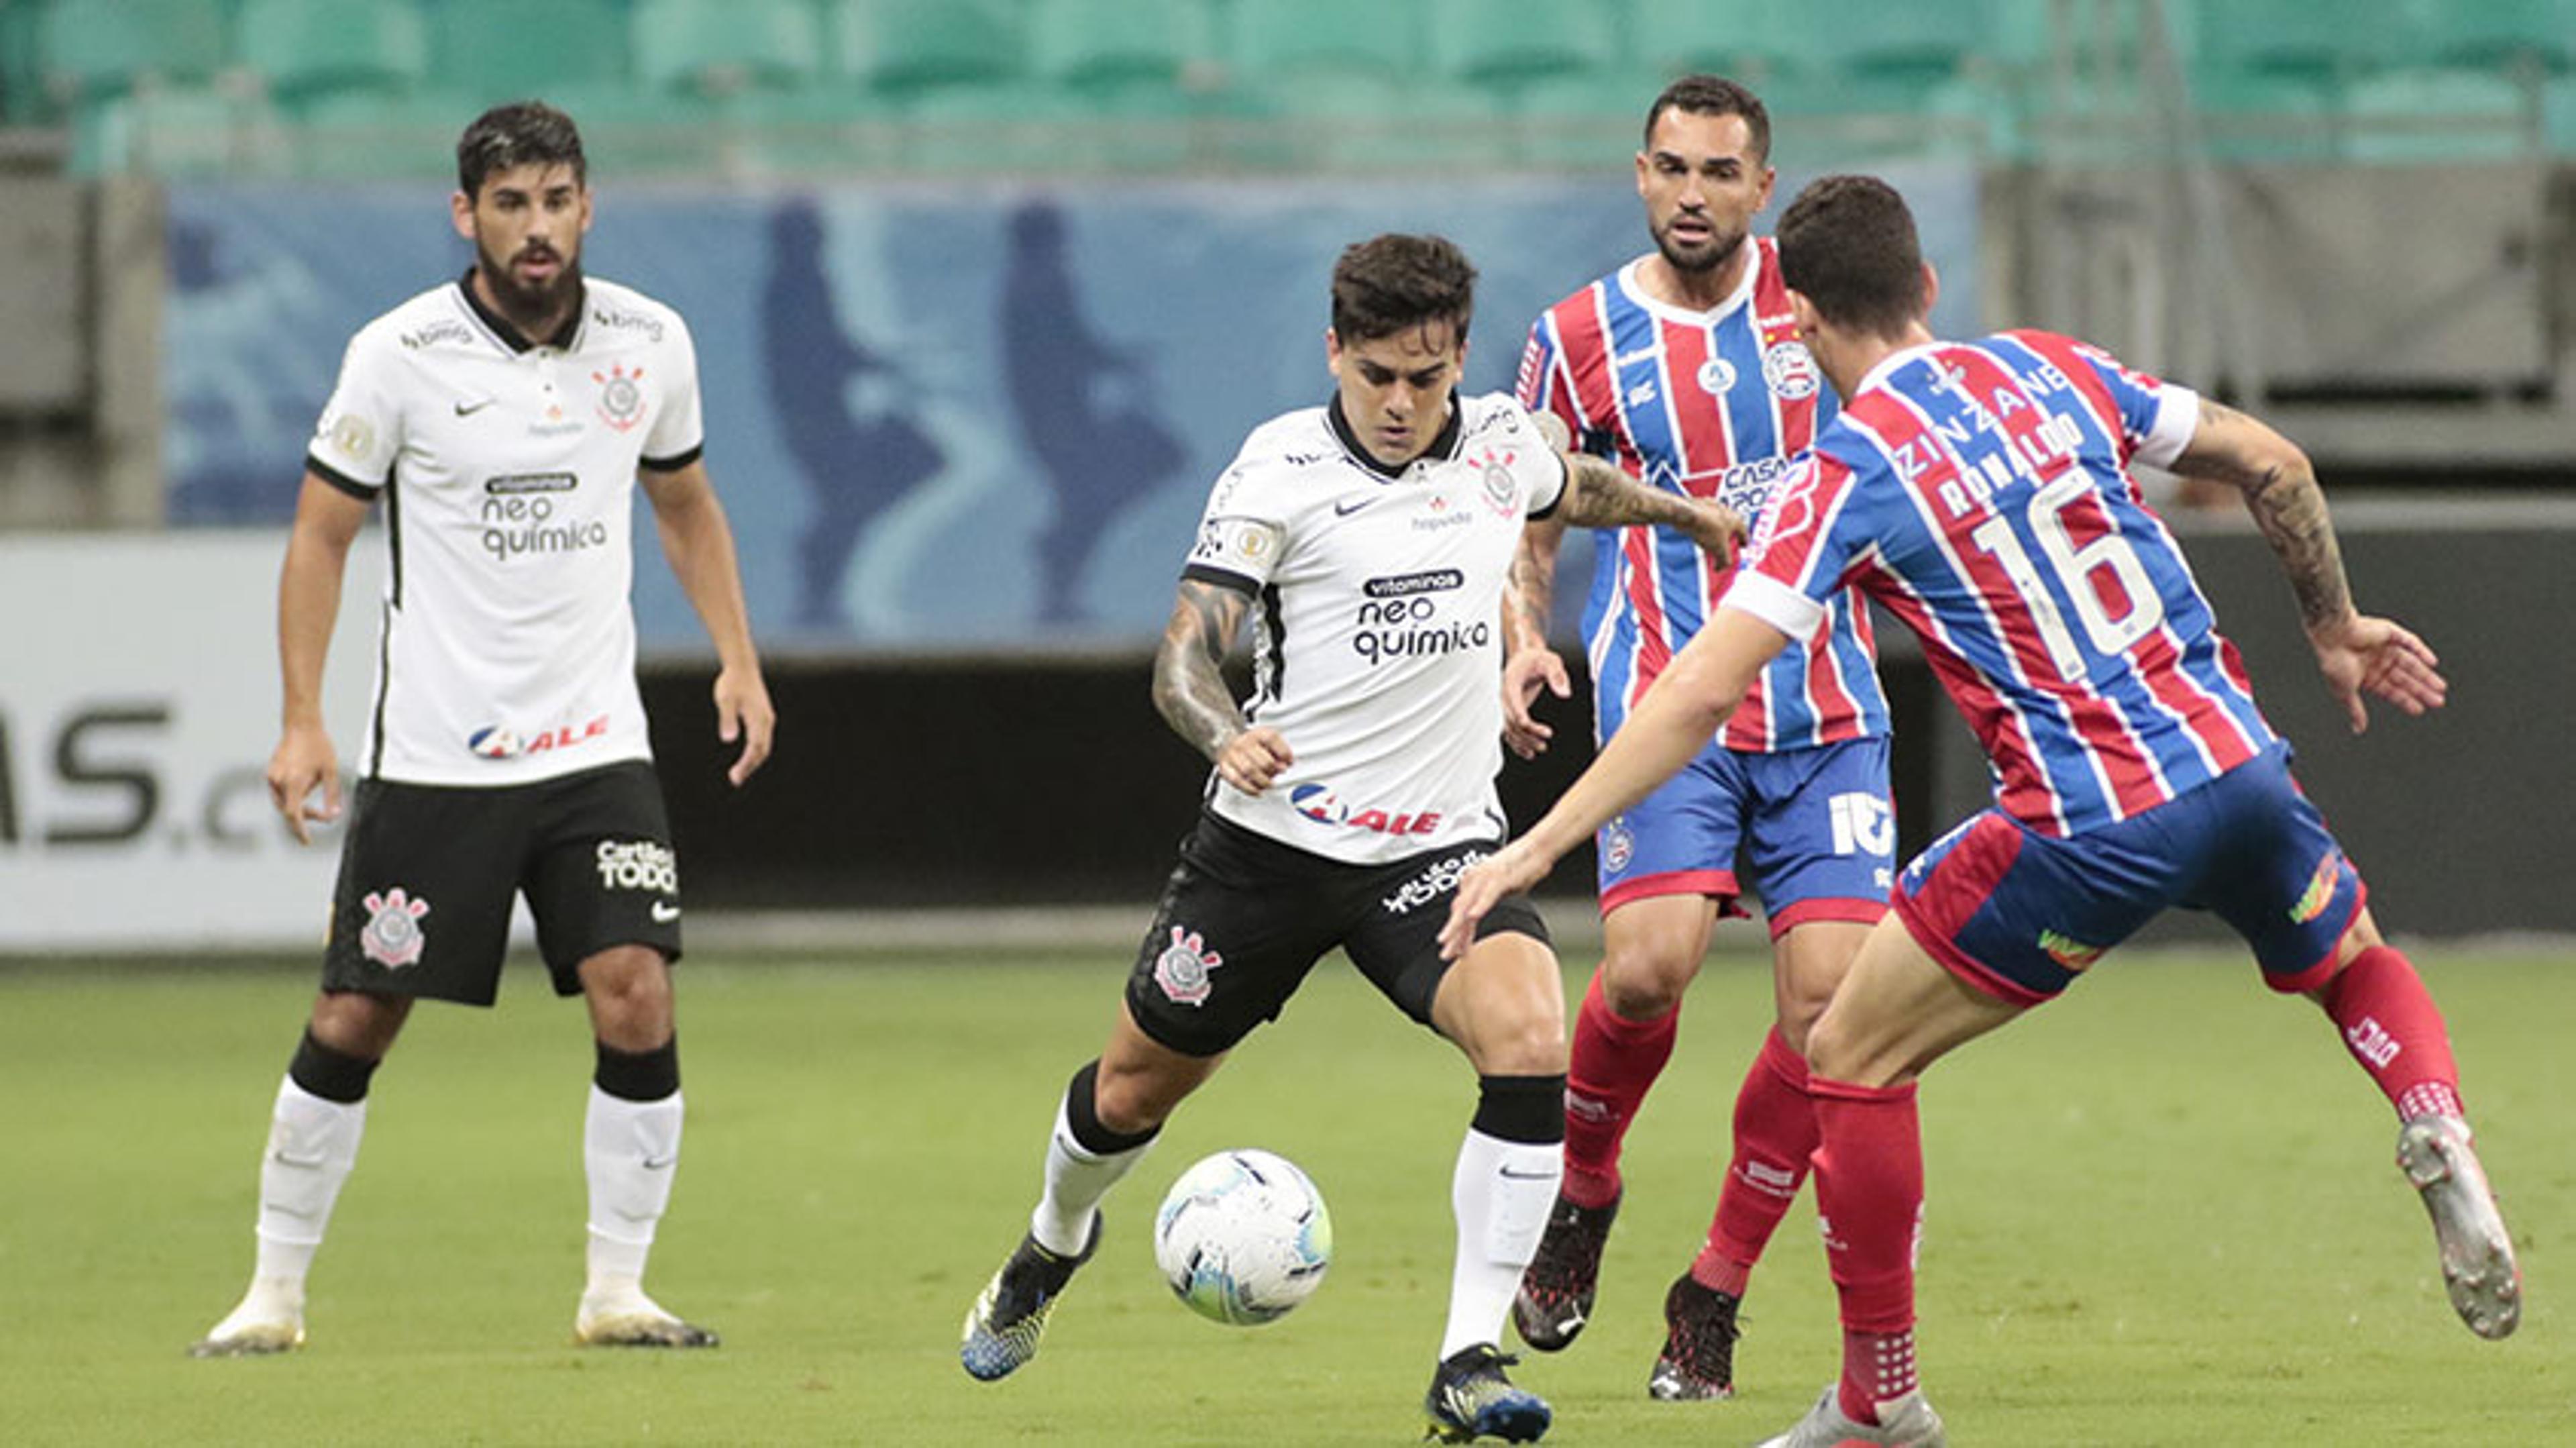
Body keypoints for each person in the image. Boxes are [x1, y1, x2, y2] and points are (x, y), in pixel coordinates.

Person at [1442, 175, 2520, 1447]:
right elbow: (2271, 460)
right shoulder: (2048, 367)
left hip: (2085, 816)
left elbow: (1696, 692)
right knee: (2353, 960)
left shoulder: (1844, 473)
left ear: (1786, 316)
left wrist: (1542, 837)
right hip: (2238, 766)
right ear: (1930, 290)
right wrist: (2333, 626)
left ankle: (1878, 1397)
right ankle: (2432, 1118)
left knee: (1845, 1050)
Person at [955, 234, 1741, 1445]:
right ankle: (1051, 1244)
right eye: (1374, 372)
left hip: (1432, 853)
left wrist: (1685, 515)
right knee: (1129, 1090)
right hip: (1266, 850)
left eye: (1423, 378)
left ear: (1457, 361)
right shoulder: (1277, 470)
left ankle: (1467, 1360)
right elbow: (1183, 654)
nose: (1397, 401)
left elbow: (1566, 481)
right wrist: (1223, 736)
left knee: (1533, 1036)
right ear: (1335, 351)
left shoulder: (1492, 441)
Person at [191, 101, 776, 1357]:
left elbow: (685, 504)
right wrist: (302, 719)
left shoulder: (650, 342)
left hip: (595, 746)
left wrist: (736, 653)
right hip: (440, 755)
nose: (537, 228)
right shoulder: (397, 355)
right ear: (466, 215)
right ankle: (271, 1296)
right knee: (358, 1015)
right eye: (509, 204)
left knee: (637, 993)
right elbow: (320, 533)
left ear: (587, 205)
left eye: (556, 200)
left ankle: (617, 1290)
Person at [1504, 74, 1892, 1400]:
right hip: (1674, 707)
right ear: (1639, 173)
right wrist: (1522, 633)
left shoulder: (1817, 305)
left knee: (1832, 1013)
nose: (1691, 193)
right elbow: (1534, 513)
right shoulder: (1575, 335)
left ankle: (1711, 1288)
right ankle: (1587, 1183)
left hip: (1829, 712)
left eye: (1719, 172)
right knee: (1646, 970)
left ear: (1760, 188)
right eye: (1671, 167)